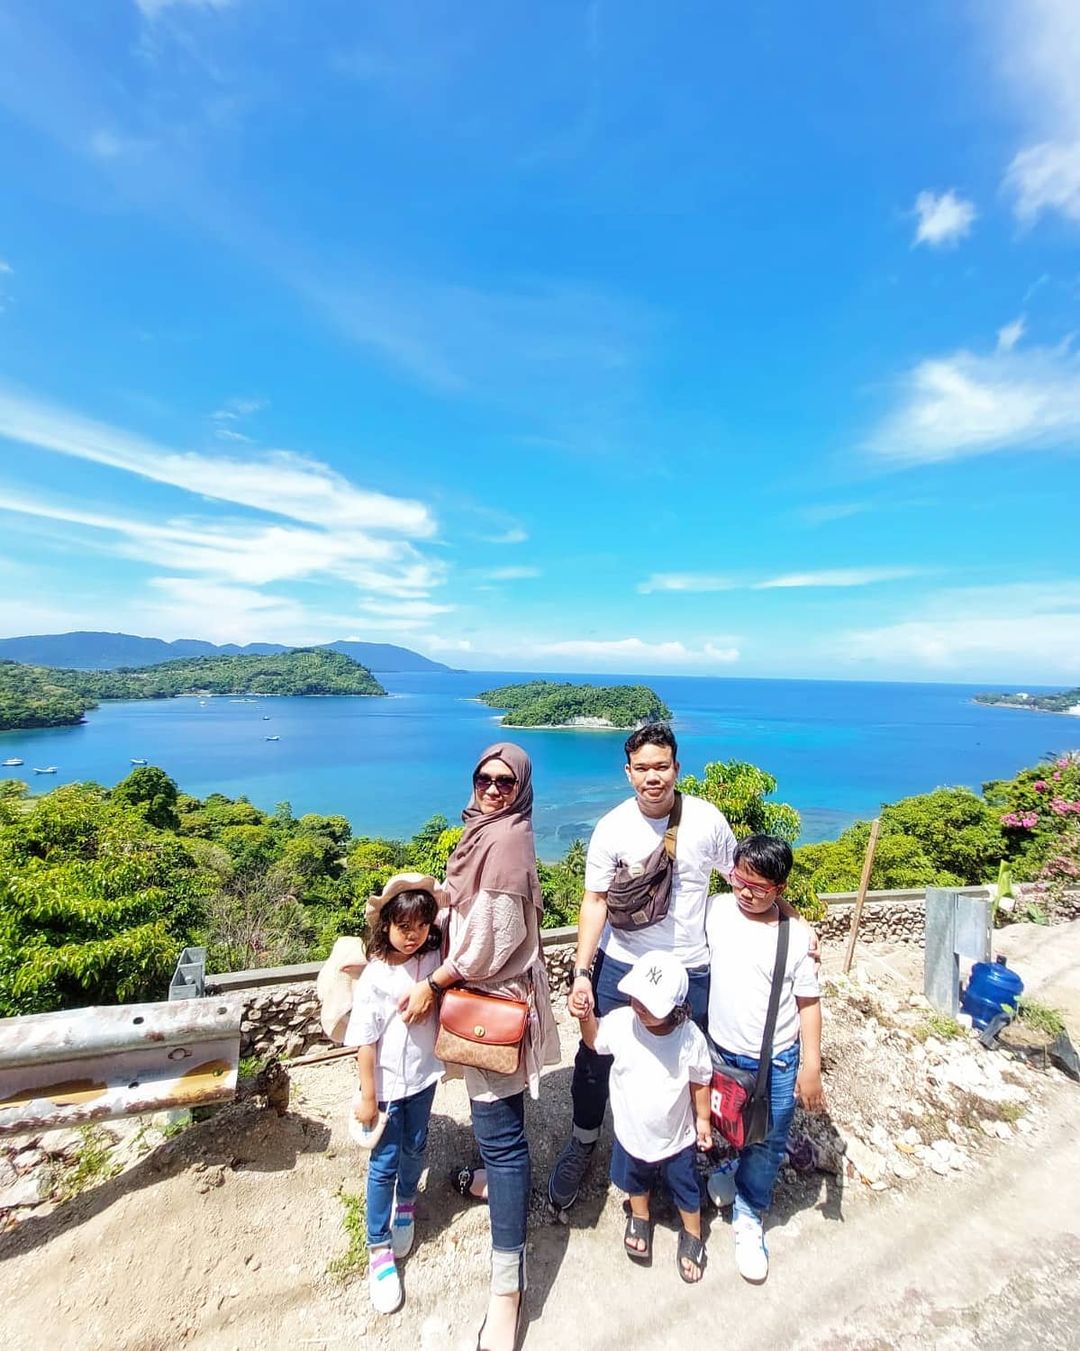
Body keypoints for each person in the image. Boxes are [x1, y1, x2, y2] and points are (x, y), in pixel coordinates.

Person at [397, 743, 559, 1351]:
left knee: (501, 1134)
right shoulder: (483, 834)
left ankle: (507, 1290)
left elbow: (491, 942)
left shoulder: (507, 844)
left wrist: (433, 983)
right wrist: (432, 899)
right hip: (483, 1000)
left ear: (520, 788)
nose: (493, 789)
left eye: (505, 781)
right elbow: (469, 907)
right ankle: (492, 1177)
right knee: (503, 1120)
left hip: (488, 1005)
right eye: (485, 778)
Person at [547, 722, 737, 1211]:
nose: (653, 777)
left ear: (677, 768)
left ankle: (695, 1149)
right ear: (628, 773)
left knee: (693, 1063)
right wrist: (583, 972)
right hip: (623, 965)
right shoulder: (612, 828)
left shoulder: (707, 820)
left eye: (662, 766)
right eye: (643, 768)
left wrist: (790, 919)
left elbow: (740, 876)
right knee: (594, 1060)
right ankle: (585, 1140)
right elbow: (594, 902)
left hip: (690, 967)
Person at [704, 834, 826, 1283]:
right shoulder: (717, 910)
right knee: (735, 1124)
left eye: (759, 887)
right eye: (739, 880)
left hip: (775, 1058)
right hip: (723, 1050)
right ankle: (738, 1166)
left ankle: (751, 1212)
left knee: (772, 1137)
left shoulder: (794, 939)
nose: (746, 892)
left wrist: (810, 1068)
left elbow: (809, 1004)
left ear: (780, 888)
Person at [574, 949, 713, 1283]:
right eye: (636, 997)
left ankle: (692, 1233)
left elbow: (700, 1079)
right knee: (635, 1179)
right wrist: (585, 1015)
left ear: (675, 1009)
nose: (639, 1006)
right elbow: (593, 1041)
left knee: (686, 1186)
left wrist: (704, 1119)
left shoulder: (688, 1037)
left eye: (649, 1004)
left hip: (677, 1136)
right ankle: (640, 1216)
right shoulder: (623, 1023)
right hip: (632, 1131)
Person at [345, 874, 444, 1315]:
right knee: (382, 1163)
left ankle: (406, 1203)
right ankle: (377, 1247)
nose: (412, 934)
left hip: (423, 1078)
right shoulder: (375, 978)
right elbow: (365, 1041)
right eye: (403, 926)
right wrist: (368, 1096)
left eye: (421, 924)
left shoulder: (433, 960)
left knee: (416, 1145)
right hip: (386, 1087)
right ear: (385, 925)